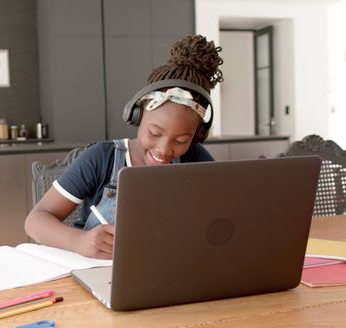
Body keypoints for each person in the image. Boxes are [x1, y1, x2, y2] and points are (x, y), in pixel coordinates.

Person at [25, 34, 224, 259]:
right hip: (100, 273)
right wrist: (79, 241)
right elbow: (35, 221)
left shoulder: (195, 159)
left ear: (197, 135)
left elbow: (225, 217)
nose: (164, 149)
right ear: (136, 115)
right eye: (155, 133)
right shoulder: (101, 158)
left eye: (181, 141)